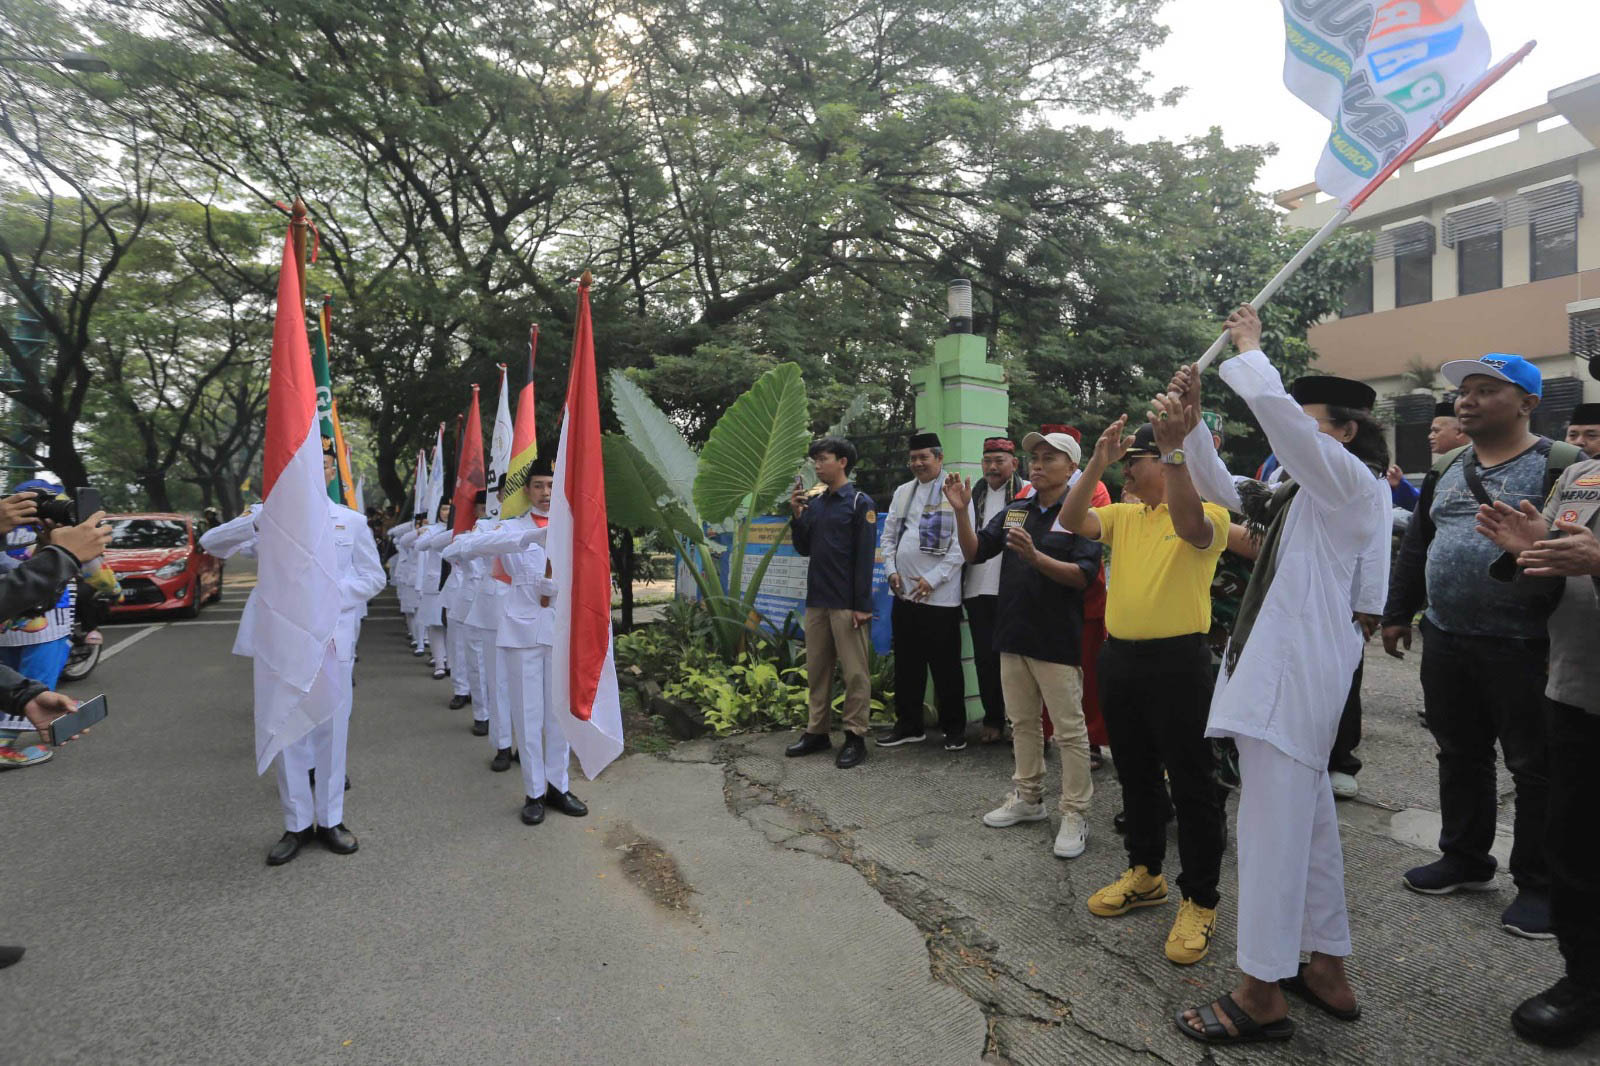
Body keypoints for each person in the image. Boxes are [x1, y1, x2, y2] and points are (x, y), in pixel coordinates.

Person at [1164, 305, 1390, 1046]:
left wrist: (1251, 351)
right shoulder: (1299, 495)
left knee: (1268, 838)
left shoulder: (1352, 485)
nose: (1290, 433)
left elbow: (1286, 431)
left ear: (1345, 433)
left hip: (1292, 688)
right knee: (1309, 828)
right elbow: (1223, 487)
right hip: (1286, 685)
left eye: (1309, 421)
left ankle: (1260, 991)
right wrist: (1190, 428)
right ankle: (1326, 966)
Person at [1382, 353, 1582, 939]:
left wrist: (1535, 547)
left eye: (1487, 390)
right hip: (1447, 637)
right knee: (1458, 753)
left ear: (1528, 403)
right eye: (1464, 391)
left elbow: (1578, 551)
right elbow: (1419, 545)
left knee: (1536, 768)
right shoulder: (1447, 466)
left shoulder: (1564, 467)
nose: (1466, 401)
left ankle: (1540, 884)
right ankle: (1465, 858)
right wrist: (1397, 613)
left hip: (1528, 645)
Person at [1058, 416, 1229, 967]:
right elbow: (1070, 519)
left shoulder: (1210, 513)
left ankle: (1199, 898)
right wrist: (1096, 461)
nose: (1127, 470)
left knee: (1193, 784)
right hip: (1121, 660)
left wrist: (1177, 451)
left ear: (1170, 462)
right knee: (1135, 775)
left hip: (1179, 664)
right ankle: (1145, 872)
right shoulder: (1125, 515)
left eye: (1136, 461)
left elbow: (1190, 525)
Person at [1477, 455, 1600, 1047]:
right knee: (1574, 849)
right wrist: (1532, 554)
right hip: (1578, 691)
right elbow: (1544, 588)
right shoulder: (1584, 477)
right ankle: (1586, 982)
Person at [201, 493, 386, 866]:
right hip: (281, 639)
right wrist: (259, 520)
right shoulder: (268, 515)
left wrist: (325, 597)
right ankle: (296, 823)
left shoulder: (350, 521)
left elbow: (373, 577)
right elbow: (212, 543)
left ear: (327, 471)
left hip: (332, 637)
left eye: (322, 465)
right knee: (286, 730)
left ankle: (331, 820)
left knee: (332, 731)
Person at [945, 431, 1102, 858]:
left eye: (1049, 457)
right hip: (1013, 632)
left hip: (1056, 638)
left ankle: (1075, 811)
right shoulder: (1018, 509)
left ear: (1072, 467)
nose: (1038, 464)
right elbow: (976, 552)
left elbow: (1082, 576)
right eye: (1035, 456)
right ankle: (1028, 798)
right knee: (1024, 723)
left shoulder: (1081, 516)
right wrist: (961, 513)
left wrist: (1036, 558)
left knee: (1069, 732)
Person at [450, 461, 587, 824]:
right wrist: (526, 539)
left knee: (558, 713)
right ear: (527, 490)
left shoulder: (570, 527)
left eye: (551, 485)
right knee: (527, 714)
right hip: (521, 630)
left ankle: (559, 785)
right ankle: (534, 791)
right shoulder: (511, 527)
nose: (545, 492)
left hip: (559, 628)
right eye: (538, 485)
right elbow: (460, 548)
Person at [0, 482, 119, 769]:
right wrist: (62, 555)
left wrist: (24, 696)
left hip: (13, 625)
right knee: (39, 674)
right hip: (46, 627)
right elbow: (101, 578)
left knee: (29, 683)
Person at [785, 437, 875, 769]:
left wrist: (862, 605)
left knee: (855, 673)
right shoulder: (816, 503)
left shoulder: (859, 503)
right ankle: (817, 732)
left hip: (846, 603)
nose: (817, 465)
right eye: (815, 460)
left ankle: (855, 736)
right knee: (817, 670)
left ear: (842, 462)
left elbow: (865, 557)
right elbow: (804, 548)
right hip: (817, 600)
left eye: (823, 459)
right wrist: (797, 516)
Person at [878, 432, 970, 750]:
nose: (917, 463)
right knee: (907, 665)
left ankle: (954, 729)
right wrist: (891, 571)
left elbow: (962, 545)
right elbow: (889, 536)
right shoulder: (903, 491)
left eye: (924, 457)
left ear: (939, 458)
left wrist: (933, 578)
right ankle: (909, 726)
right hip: (904, 593)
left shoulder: (954, 490)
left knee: (946, 667)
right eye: (913, 459)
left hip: (940, 597)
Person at [962, 437, 1028, 744]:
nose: (992, 467)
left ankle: (1021, 723)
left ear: (1013, 463)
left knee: (1016, 660)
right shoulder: (972, 495)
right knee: (985, 659)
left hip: (1013, 589)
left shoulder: (1027, 494)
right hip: (977, 587)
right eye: (987, 461)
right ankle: (993, 718)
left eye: (999, 461)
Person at [443, 491, 507, 746]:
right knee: (477, 661)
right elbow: (453, 551)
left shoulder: (529, 524)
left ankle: (509, 726)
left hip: (514, 605)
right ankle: (482, 714)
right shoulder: (484, 526)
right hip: (476, 599)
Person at [414, 502, 451, 680]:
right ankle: (439, 664)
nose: (447, 512)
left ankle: (451, 662)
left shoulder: (465, 527)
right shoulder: (432, 529)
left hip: (455, 583)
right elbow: (419, 545)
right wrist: (438, 534)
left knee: (453, 626)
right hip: (435, 583)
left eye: (450, 509)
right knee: (435, 625)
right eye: (443, 508)